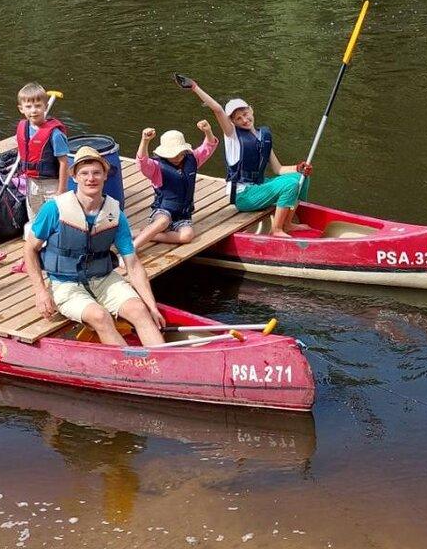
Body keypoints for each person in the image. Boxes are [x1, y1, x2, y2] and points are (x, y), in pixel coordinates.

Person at [24, 146, 165, 347]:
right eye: (84, 173)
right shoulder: (54, 209)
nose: (91, 178)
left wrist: (152, 307)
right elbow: (30, 249)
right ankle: (129, 368)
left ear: (105, 176)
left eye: (97, 172)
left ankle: (159, 365)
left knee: (139, 311)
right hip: (64, 283)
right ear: (75, 177)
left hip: (104, 279)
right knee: (100, 316)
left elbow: (132, 264)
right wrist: (40, 291)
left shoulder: (115, 213)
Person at [180, 75, 312, 238]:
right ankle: (276, 229)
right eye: (238, 118)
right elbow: (218, 110)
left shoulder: (263, 136)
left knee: (301, 177)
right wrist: (194, 87)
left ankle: (287, 223)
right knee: (290, 186)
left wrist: (299, 168)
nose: (244, 119)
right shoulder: (232, 135)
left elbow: (278, 169)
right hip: (244, 195)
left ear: (251, 109)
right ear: (232, 122)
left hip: (258, 185)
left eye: (245, 113)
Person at [133, 121, 218, 249]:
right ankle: (133, 247)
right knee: (163, 221)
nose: (178, 157)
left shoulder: (192, 159)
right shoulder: (156, 168)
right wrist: (145, 141)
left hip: (182, 215)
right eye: (173, 155)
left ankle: (145, 233)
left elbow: (209, 146)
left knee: (187, 236)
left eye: (181, 154)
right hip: (162, 211)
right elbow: (142, 162)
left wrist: (208, 131)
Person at [14, 82, 71, 218]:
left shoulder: (55, 134)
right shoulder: (23, 128)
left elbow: (64, 162)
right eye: (28, 106)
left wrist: (61, 189)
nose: (33, 110)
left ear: (45, 107)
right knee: (35, 216)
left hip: (51, 184)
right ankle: (35, 237)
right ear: (21, 109)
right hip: (31, 182)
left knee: (55, 217)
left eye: (38, 106)